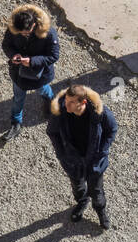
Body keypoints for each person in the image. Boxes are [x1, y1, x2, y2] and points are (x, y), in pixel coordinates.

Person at [47, 84, 118, 229]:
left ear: (83, 102)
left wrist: (102, 152)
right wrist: (61, 154)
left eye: (72, 102)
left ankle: (101, 211)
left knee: (96, 191)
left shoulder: (101, 113)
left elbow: (112, 130)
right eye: (66, 100)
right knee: (78, 188)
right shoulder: (60, 113)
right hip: (73, 161)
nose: (67, 104)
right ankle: (82, 202)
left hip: (94, 161)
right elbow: (52, 132)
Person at [1, 4, 60, 141]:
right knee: (18, 98)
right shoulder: (14, 28)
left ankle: (50, 102)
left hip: (39, 75)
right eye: (21, 32)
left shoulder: (49, 33)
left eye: (27, 32)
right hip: (19, 75)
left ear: (35, 24)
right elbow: (6, 45)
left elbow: (53, 56)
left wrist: (33, 61)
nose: (24, 34)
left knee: (44, 90)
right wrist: (13, 55)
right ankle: (16, 123)